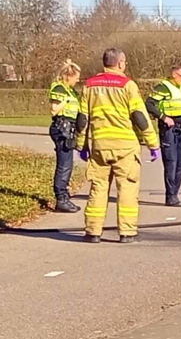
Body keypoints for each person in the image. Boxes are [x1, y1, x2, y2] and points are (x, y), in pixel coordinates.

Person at [75, 48, 160, 243]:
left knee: (98, 188)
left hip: (99, 146)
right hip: (125, 147)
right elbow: (139, 117)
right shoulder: (127, 85)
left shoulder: (89, 85)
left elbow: (82, 119)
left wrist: (81, 145)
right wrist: (152, 143)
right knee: (127, 189)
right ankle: (127, 232)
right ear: (120, 63)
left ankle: (93, 232)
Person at [145, 66, 181, 207]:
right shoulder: (163, 87)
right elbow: (149, 104)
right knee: (171, 163)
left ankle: (175, 193)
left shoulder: (180, 87)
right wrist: (163, 117)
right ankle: (171, 196)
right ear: (174, 74)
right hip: (169, 129)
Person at [47, 60, 83, 213]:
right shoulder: (59, 88)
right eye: (76, 77)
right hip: (61, 128)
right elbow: (54, 110)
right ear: (68, 75)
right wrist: (66, 101)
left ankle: (64, 196)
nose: (78, 80)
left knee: (67, 164)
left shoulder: (71, 91)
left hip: (70, 129)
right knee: (64, 165)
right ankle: (61, 199)